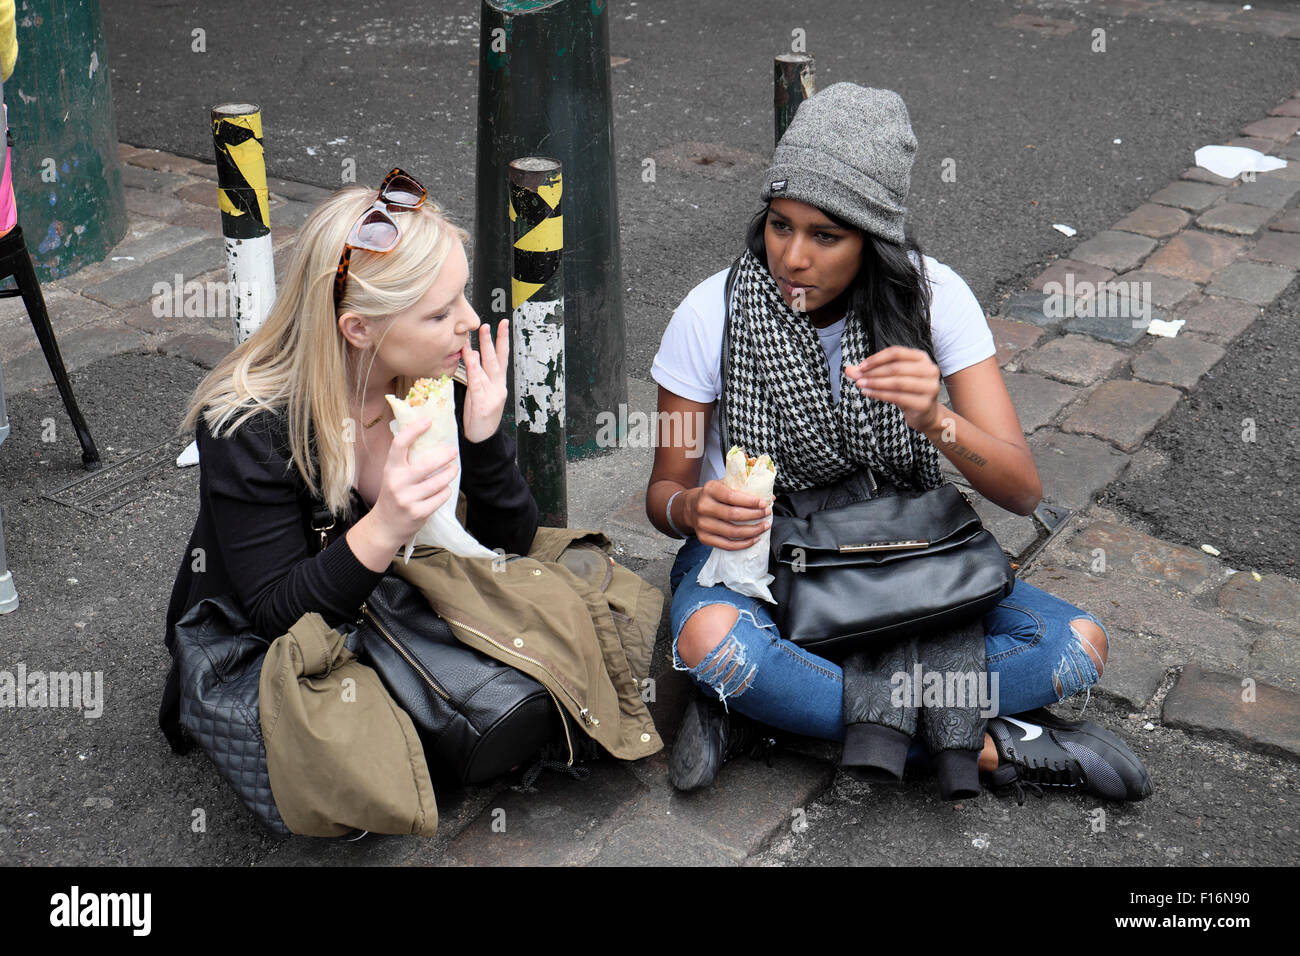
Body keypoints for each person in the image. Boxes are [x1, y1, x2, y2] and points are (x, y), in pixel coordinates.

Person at [645, 84, 1152, 801]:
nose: (792, 257)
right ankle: (991, 742)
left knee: (1076, 649)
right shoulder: (711, 310)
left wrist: (936, 419)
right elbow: (660, 494)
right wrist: (693, 510)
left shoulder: (935, 298)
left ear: (872, 240)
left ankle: (767, 712)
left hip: (903, 548)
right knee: (711, 643)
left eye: (826, 236)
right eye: (780, 225)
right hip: (758, 553)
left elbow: (1021, 489)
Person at [159, 169, 537, 751]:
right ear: (357, 328)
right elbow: (275, 615)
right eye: (439, 313)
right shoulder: (248, 426)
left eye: (462, 295)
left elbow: (506, 546)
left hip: (396, 609)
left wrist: (484, 442)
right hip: (286, 649)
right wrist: (386, 525)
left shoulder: (435, 378)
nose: (468, 321)